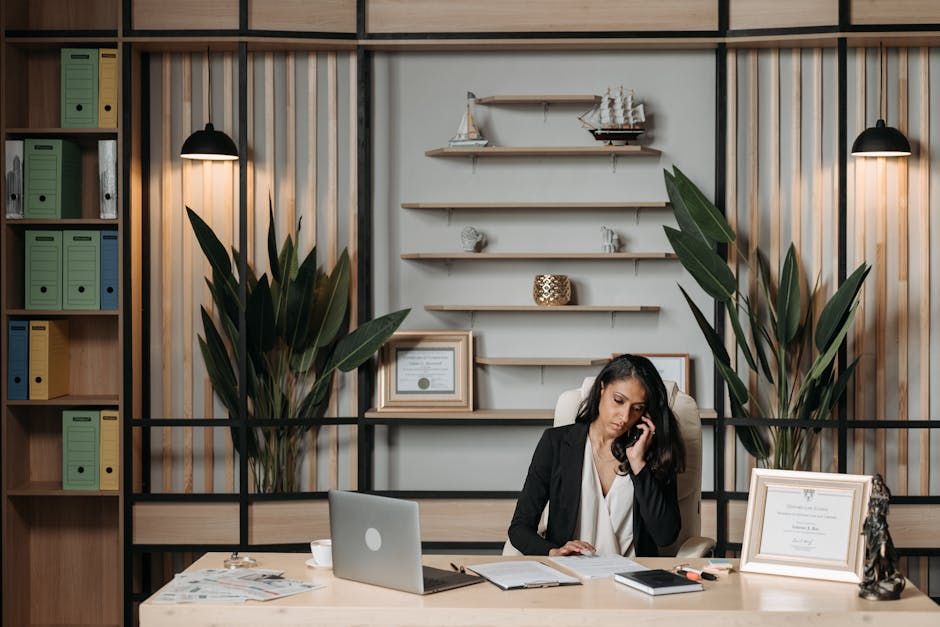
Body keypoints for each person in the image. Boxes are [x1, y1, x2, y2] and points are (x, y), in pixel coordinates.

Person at [508, 354, 686, 557]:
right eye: (618, 401)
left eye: (637, 409)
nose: (625, 417)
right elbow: (519, 528)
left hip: (634, 579)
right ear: (602, 389)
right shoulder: (556, 443)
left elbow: (665, 536)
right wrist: (553, 551)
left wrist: (639, 464)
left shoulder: (652, 453)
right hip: (572, 576)